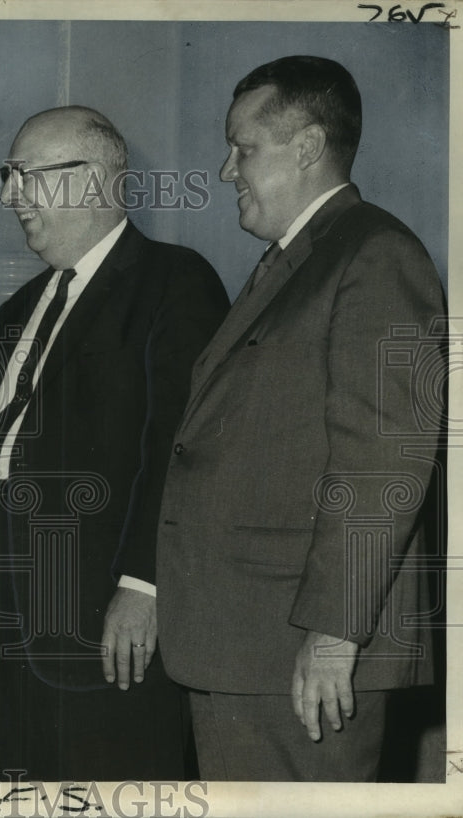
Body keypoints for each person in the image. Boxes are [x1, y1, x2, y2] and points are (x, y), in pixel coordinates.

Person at [155, 55, 446, 781]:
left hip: (298, 652)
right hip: (246, 642)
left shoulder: (376, 256)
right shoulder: (299, 261)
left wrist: (333, 635)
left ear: (308, 147)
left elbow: (385, 462)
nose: (227, 170)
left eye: (243, 147)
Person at [0, 106, 229, 780]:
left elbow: (180, 448)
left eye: (26, 175)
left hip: (106, 619)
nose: (10, 195)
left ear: (95, 179)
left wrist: (145, 583)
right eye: (7, 177)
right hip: (6, 623)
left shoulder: (173, 281)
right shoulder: (14, 312)